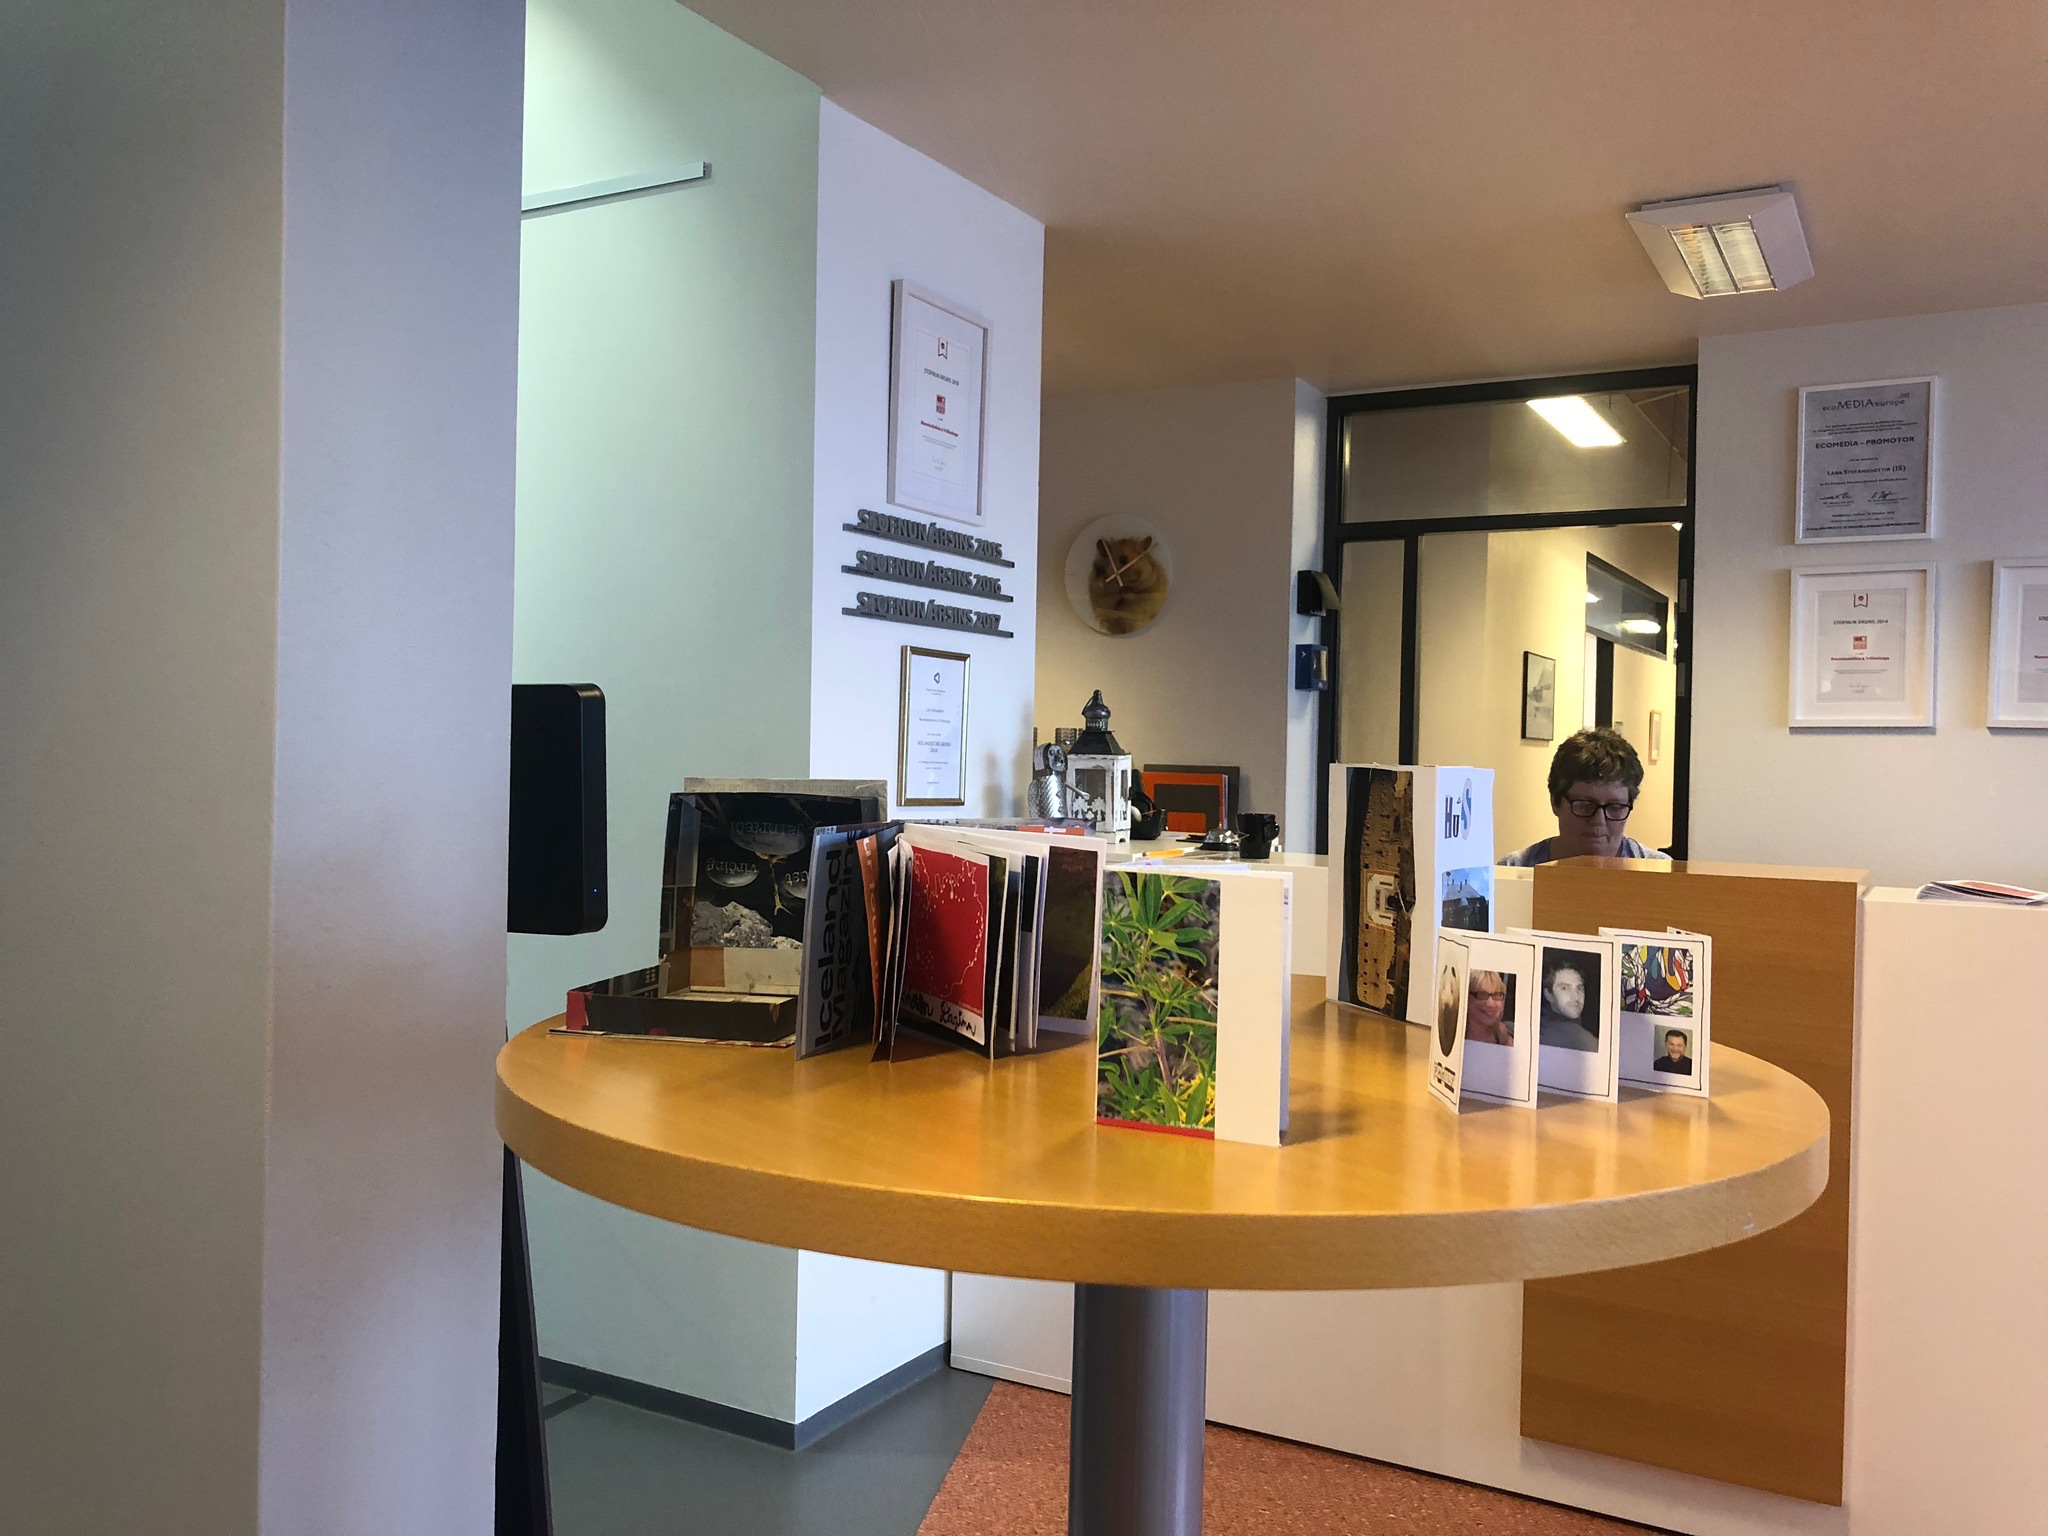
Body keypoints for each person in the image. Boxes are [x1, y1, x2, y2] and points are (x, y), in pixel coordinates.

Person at [1499, 727, 1672, 866]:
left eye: (1615, 807)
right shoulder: (1515, 868)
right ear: (1555, 802)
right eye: (1585, 805)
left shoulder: (1659, 872)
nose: (1599, 821)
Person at [1538, 954, 1599, 1052]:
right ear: (1548, 994)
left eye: (1579, 988)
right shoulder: (1587, 1044)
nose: (1576, 997)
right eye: (1564, 988)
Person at [1466, 970, 1512, 1046]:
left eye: (1496, 995)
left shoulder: (1503, 1035)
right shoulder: (1452, 1034)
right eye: (1482, 994)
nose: (1490, 1004)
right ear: (1467, 998)